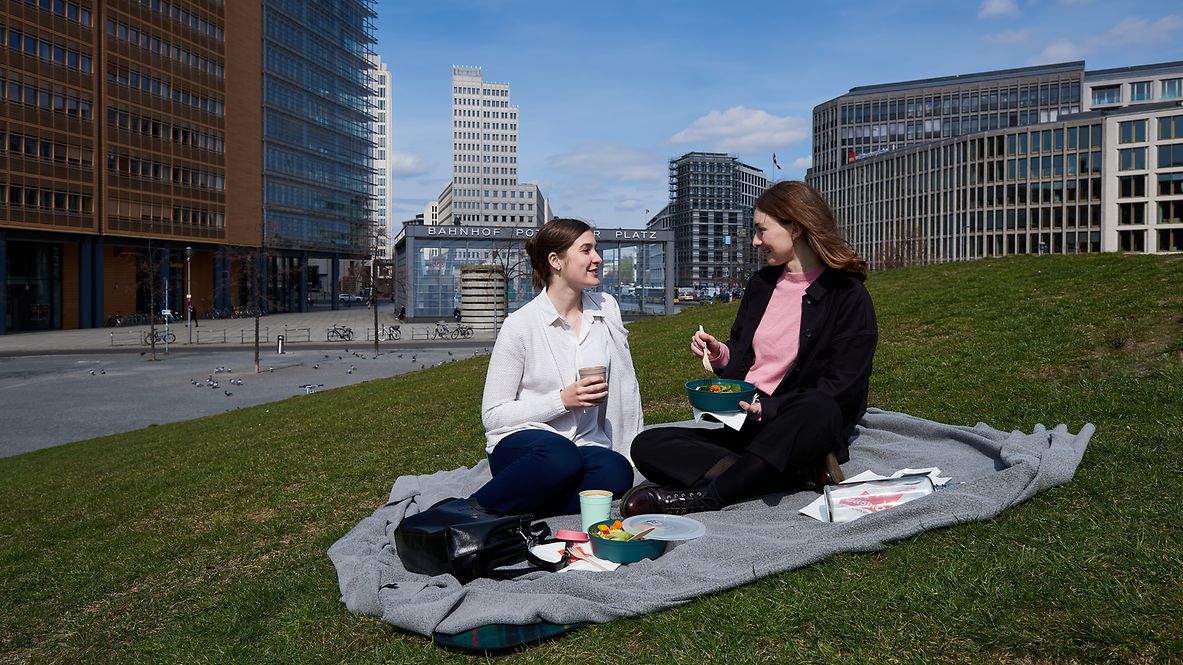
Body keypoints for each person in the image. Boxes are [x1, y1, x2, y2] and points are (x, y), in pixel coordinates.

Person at [622, 181, 877, 516]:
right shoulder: (761, 285)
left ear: (795, 228)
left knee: (818, 407)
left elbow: (844, 385)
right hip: (747, 425)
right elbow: (744, 350)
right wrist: (719, 354)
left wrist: (769, 410)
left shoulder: (846, 294)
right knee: (648, 445)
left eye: (761, 230)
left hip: (797, 422)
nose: (756, 241)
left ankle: (708, 496)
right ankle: (783, 473)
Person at [469, 218, 643, 518]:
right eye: (586, 250)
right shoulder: (520, 326)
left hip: (585, 445)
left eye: (596, 249)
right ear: (556, 261)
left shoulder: (606, 310)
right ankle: (470, 510)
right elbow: (493, 416)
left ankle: (523, 510)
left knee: (616, 471)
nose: (597, 258)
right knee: (558, 456)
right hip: (526, 444)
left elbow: (625, 386)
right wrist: (562, 400)